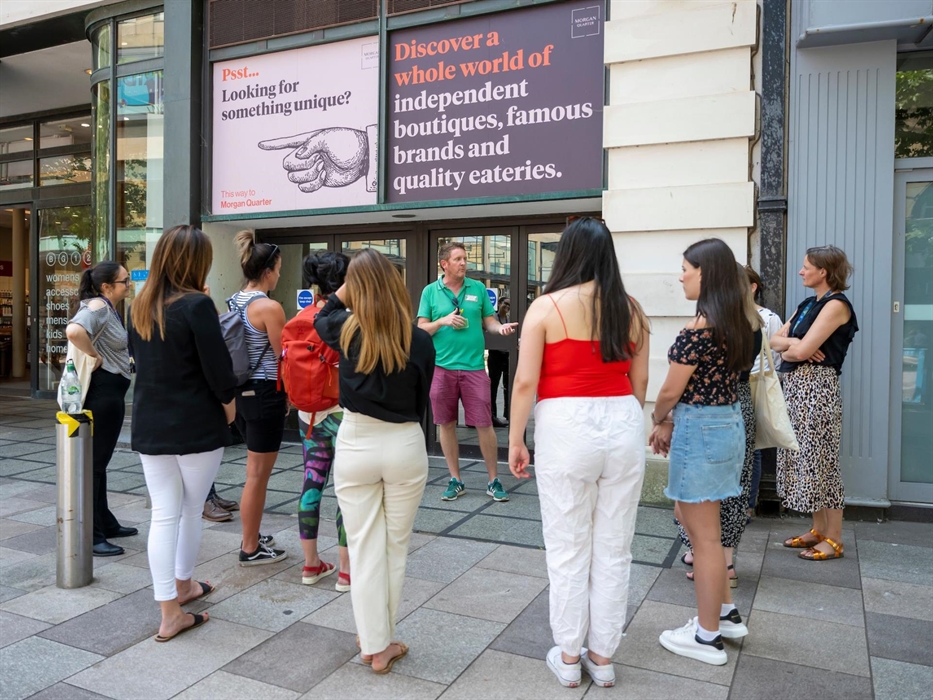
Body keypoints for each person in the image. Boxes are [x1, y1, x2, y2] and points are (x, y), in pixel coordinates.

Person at [508, 217, 649, 689]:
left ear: (567, 254)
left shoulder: (546, 307)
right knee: (615, 545)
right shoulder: (632, 309)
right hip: (622, 418)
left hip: (567, 423)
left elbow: (524, 381)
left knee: (568, 544)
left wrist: (517, 439)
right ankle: (602, 657)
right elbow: (640, 382)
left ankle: (569, 656)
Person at [315, 249, 435, 674]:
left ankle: (373, 642)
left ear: (357, 288)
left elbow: (322, 315)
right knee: (394, 548)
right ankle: (380, 644)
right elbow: (422, 398)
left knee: (364, 547)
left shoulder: (346, 330)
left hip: (356, 442)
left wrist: (345, 290)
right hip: (404, 443)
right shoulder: (420, 340)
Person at [129, 225, 238, 642]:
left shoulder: (140, 306)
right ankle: (183, 587)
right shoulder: (197, 305)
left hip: (150, 422)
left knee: (163, 513)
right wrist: (229, 405)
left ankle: (170, 606)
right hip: (196, 422)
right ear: (196, 263)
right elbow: (218, 368)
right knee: (190, 510)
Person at [649, 238, 752, 666]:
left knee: (704, 538)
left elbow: (670, 390)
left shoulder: (700, 328)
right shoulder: (738, 323)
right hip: (727, 424)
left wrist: (658, 418)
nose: (681, 277)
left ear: (704, 274)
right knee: (700, 526)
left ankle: (707, 637)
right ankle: (725, 614)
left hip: (701, 427)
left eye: (686, 269)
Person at [676, 265, 762, 587]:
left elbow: (682, 378)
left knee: (697, 490)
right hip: (742, 404)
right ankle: (724, 562)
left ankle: (706, 556)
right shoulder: (752, 323)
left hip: (711, 408)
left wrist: (662, 417)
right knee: (735, 488)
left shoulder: (710, 325)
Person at [771, 246, 858, 561]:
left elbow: (796, 352)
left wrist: (794, 347)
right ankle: (818, 529)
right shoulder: (807, 304)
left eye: (806, 266)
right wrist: (795, 343)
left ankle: (834, 539)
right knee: (808, 458)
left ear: (824, 271)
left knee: (823, 460)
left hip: (818, 389)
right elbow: (775, 342)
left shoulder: (836, 305)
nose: (801, 271)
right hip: (796, 387)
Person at [417, 242, 518, 502]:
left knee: (484, 424)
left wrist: (500, 329)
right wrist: (442, 321)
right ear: (444, 264)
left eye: (465, 258)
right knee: (446, 424)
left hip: (474, 368)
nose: (464, 263)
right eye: (458, 259)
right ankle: (455, 479)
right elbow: (421, 328)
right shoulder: (430, 291)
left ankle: (493, 480)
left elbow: (489, 322)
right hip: (442, 368)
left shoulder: (478, 288)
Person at [66, 261, 138, 557]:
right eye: (124, 281)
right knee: (94, 465)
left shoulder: (108, 308)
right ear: (107, 286)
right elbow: (74, 330)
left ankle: (105, 522)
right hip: (102, 393)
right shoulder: (98, 306)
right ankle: (93, 535)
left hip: (109, 393)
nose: (129, 284)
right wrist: (94, 355)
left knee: (100, 462)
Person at [231, 231, 288, 566]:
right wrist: (292, 395)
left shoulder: (234, 300)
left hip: (241, 392)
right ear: (267, 271)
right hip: (265, 392)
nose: (279, 275)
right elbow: (284, 357)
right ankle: (250, 547)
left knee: (253, 472)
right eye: (278, 269)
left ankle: (251, 534)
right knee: (257, 475)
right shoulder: (269, 307)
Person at [297, 251, 351, 591]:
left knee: (311, 484)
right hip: (341, 414)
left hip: (308, 417)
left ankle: (310, 564)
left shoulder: (301, 316)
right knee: (346, 490)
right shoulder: (346, 320)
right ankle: (346, 572)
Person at [744, 266, 783, 518]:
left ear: (752, 287)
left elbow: (776, 360)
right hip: (734, 385)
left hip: (757, 384)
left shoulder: (768, 319)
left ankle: (749, 504)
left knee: (754, 447)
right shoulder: (726, 315)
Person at [488, 297, 511, 428]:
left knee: (508, 385)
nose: (507, 307)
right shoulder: (493, 318)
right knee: (493, 386)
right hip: (495, 354)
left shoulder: (508, 319)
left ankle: (508, 414)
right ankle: (492, 415)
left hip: (506, 355)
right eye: (505, 304)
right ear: (500, 303)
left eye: (509, 305)